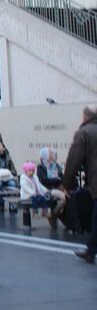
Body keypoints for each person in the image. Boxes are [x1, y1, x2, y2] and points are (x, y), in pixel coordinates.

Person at [64, 104, 97, 264]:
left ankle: (90, 251)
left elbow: (73, 160)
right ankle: (90, 250)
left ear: (85, 117)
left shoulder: (84, 132)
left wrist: (68, 183)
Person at [37, 147, 67, 227]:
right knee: (65, 198)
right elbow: (43, 180)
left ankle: (53, 215)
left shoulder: (56, 165)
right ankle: (55, 215)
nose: (55, 156)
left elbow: (62, 177)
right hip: (47, 189)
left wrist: (61, 181)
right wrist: (56, 180)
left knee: (69, 198)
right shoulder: (40, 167)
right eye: (53, 154)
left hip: (58, 187)